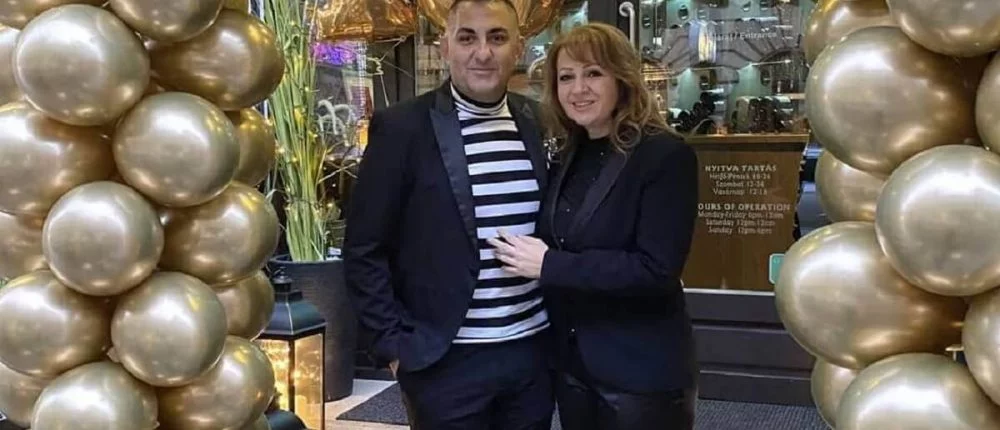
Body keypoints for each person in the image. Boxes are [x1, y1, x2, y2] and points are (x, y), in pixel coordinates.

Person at [342, 0, 554, 428]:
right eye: (467, 37)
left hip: (532, 354)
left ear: (519, 48)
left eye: (497, 37)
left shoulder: (539, 121)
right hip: (444, 364)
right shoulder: (402, 128)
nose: (483, 52)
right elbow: (364, 248)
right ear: (445, 48)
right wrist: (395, 347)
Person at [488, 22, 700, 430]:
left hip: (640, 374)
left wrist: (550, 265)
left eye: (593, 73)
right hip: (574, 367)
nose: (578, 89)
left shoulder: (664, 155)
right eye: (566, 77)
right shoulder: (569, 152)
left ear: (622, 79)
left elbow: (656, 270)